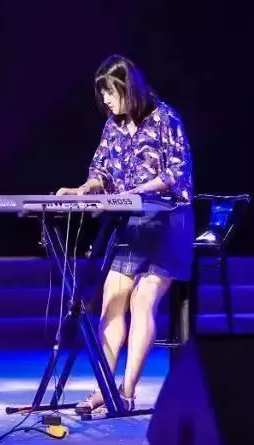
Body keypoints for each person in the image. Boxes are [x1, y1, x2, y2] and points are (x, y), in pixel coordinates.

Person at [55, 54, 194, 413]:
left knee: (141, 300)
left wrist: (137, 191)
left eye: (109, 93)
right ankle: (104, 387)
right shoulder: (112, 126)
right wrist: (84, 189)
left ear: (127, 88)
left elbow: (176, 173)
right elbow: (101, 171)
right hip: (131, 225)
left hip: (167, 222)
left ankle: (127, 391)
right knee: (111, 303)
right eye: (102, 94)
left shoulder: (165, 119)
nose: (105, 100)